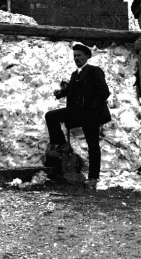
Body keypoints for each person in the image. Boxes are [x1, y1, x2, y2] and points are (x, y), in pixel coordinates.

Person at [45, 44, 111, 188]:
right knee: (51, 116)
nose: (77, 58)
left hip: (91, 114)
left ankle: (93, 178)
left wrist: (92, 108)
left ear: (87, 56)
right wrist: (61, 93)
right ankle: (63, 144)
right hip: (76, 112)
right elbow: (72, 90)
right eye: (75, 56)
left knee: (93, 145)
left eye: (79, 55)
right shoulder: (75, 74)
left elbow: (104, 92)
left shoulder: (94, 71)